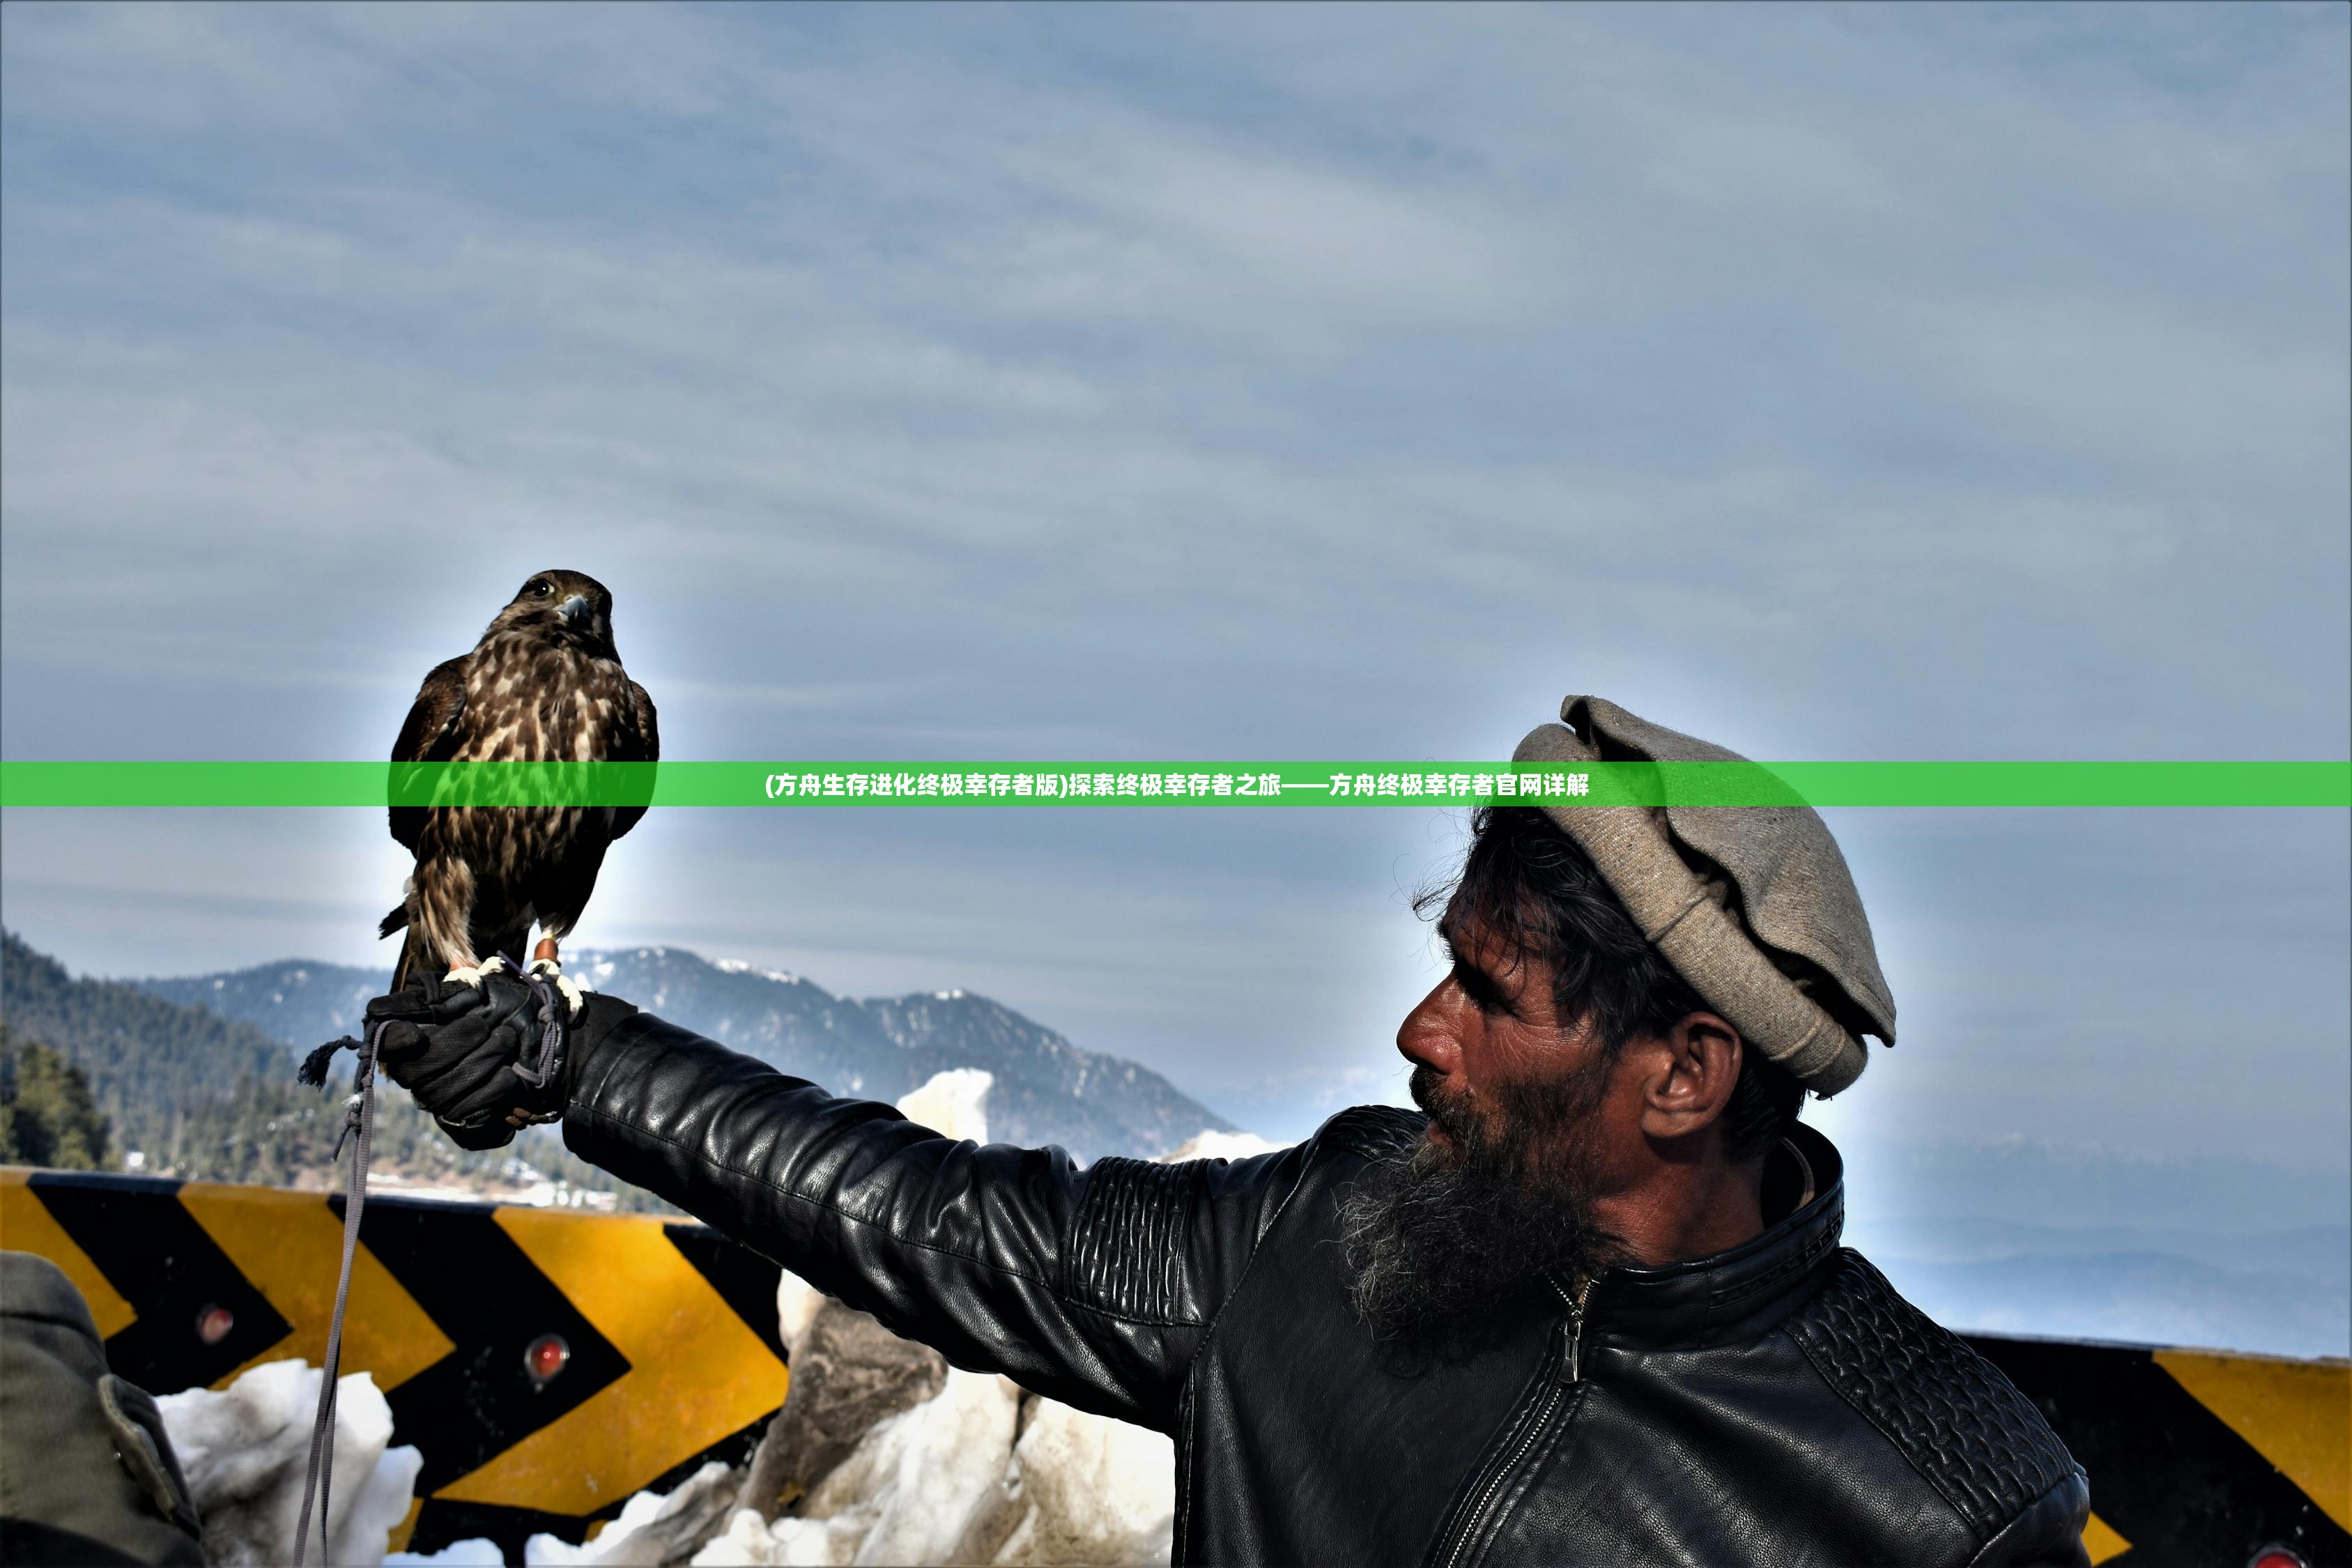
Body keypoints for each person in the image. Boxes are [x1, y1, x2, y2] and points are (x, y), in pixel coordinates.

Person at [368, 695, 2091, 1566]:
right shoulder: (1325, 1230)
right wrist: (569, 1060)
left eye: (1487, 996)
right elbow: (949, 1220)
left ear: (1683, 1075)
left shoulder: (1943, 1510)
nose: (1419, 1036)